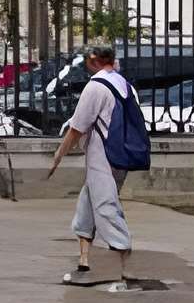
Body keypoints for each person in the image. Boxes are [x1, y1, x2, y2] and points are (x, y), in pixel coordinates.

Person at [48, 46, 136, 282]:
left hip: (102, 154)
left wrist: (59, 154)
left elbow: (77, 127)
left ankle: (123, 263)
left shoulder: (96, 86)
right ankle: (84, 262)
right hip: (122, 154)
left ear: (94, 61)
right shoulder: (125, 85)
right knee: (86, 208)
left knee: (105, 206)